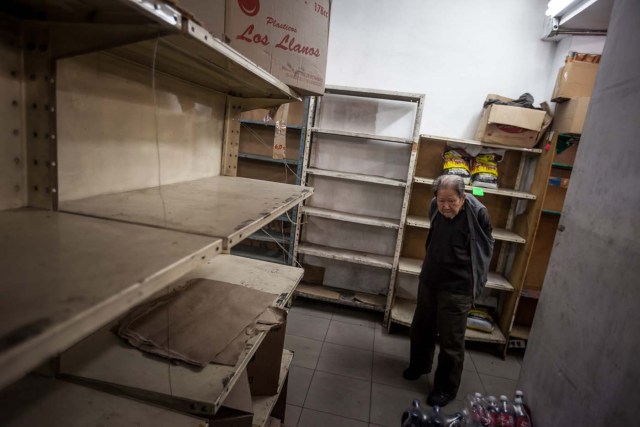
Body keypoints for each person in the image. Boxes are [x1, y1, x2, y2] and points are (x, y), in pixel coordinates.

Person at [403, 174, 494, 407]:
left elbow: (485, 248)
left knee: (451, 341)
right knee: (421, 328)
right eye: (441, 200)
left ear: (463, 198)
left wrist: (477, 284)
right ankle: (419, 365)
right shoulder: (435, 207)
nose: (445, 206)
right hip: (431, 279)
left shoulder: (478, 213)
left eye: (451, 201)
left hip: (458, 287)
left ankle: (446, 388)